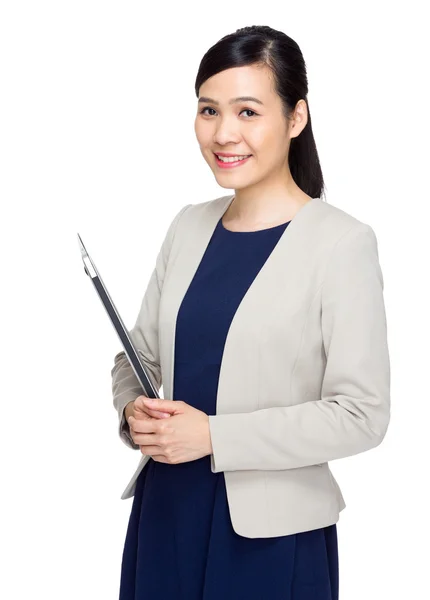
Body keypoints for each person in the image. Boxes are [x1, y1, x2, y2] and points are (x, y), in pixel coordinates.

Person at [111, 25, 390, 600]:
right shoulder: (189, 225)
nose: (223, 133)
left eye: (247, 111)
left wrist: (213, 435)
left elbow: (362, 414)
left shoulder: (341, 244)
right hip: (166, 514)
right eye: (208, 110)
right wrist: (133, 407)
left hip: (271, 538)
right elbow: (133, 353)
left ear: (295, 118)